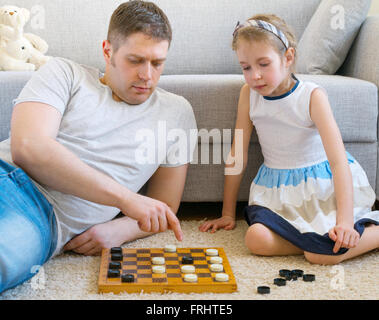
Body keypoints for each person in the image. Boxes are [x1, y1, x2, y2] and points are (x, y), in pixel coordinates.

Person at [0, 1, 197, 293]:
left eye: (157, 63)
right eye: (135, 60)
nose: (147, 75)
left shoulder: (177, 112)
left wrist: (121, 229)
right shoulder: (64, 73)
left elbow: (164, 206)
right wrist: (125, 199)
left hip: (44, 218)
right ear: (108, 51)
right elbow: (29, 148)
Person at [199, 14, 379, 265]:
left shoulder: (312, 96)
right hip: (278, 190)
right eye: (246, 67)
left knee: (320, 257)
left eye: (264, 64)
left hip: (322, 187)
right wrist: (227, 213)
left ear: (288, 58)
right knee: (255, 239)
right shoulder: (248, 95)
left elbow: (338, 162)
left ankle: (352, 238)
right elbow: (236, 155)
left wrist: (345, 222)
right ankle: (316, 243)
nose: (255, 76)